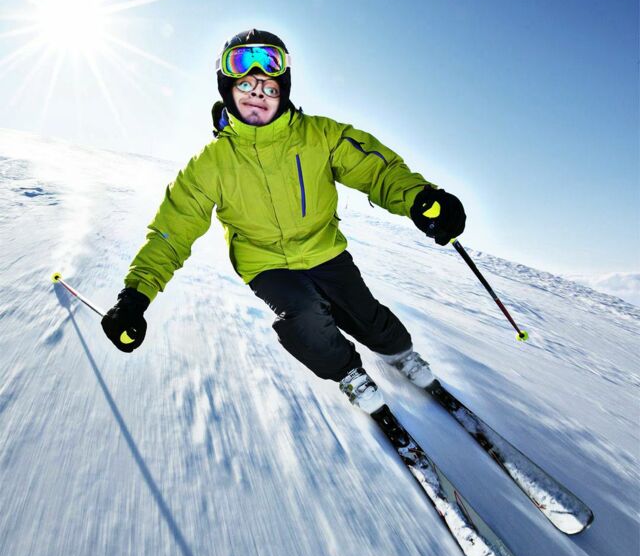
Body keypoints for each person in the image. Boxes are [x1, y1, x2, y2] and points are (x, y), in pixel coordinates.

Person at [101, 29, 466, 413]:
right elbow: (173, 230)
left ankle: (400, 354)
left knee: (366, 316)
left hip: (325, 250)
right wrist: (135, 297)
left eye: (269, 87)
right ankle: (348, 374)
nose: (257, 93)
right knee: (305, 316)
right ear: (227, 90)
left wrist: (421, 198)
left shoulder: (319, 135)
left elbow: (376, 170)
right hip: (266, 264)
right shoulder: (210, 165)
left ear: (284, 90)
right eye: (245, 84)